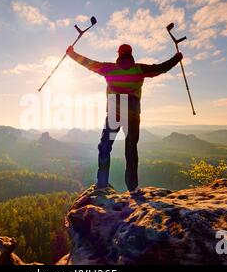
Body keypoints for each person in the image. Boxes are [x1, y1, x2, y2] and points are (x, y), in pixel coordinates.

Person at [66, 44, 183, 192]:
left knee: (105, 147)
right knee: (131, 148)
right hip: (132, 111)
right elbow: (161, 68)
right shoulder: (140, 69)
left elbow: (88, 63)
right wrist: (177, 58)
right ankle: (133, 188)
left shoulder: (109, 68)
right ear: (131, 54)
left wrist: (72, 54)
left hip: (115, 109)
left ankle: (102, 184)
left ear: (119, 54)